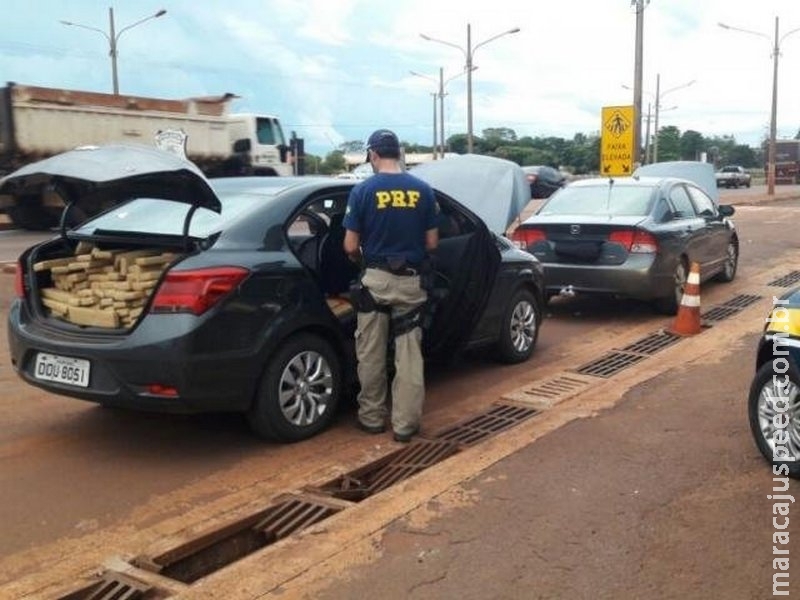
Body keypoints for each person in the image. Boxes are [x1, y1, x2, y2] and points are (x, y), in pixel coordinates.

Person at [342, 129, 439, 443]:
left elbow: (349, 245)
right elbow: (432, 242)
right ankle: (405, 425)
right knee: (409, 356)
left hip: (376, 281)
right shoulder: (423, 191)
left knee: (370, 352)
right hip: (411, 282)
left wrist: (361, 260)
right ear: (400, 153)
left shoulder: (363, 191)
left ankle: (371, 418)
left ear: (372, 155)